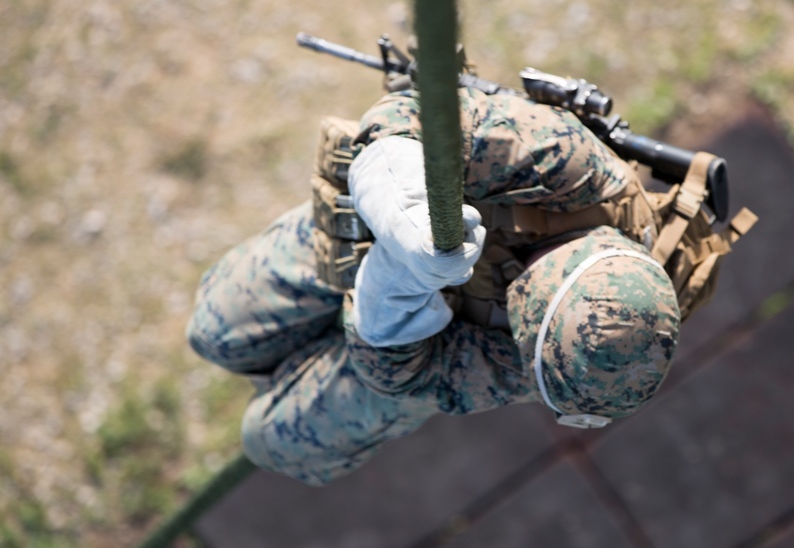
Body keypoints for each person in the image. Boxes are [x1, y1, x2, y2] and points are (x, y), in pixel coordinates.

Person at [187, 86, 684, 486]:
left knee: (268, 441)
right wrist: (405, 217)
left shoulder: (579, 365)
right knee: (213, 332)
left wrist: (391, 292)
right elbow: (410, 115)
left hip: (418, 330)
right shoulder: (566, 164)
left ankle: (300, 367)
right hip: (379, 222)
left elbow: (411, 379)